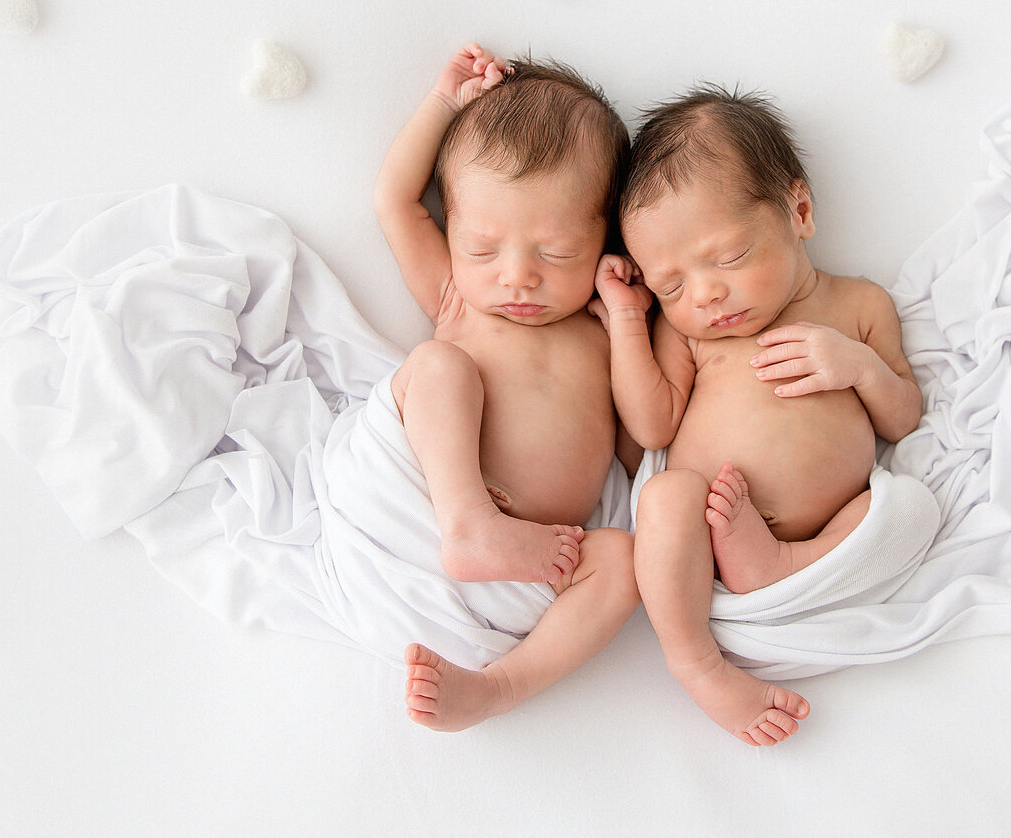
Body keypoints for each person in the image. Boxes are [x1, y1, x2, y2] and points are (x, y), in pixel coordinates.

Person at [593, 85, 924, 746]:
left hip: (831, 536)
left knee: (913, 506)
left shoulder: (859, 306)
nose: (707, 293)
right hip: (704, 536)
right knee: (662, 497)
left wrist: (859, 366)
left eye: (728, 256)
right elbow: (653, 425)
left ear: (798, 209)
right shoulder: (691, 335)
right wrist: (632, 319)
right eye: (673, 285)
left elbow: (904, 419)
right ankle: (696, 663)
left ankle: (783, 559)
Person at [374, 43, 640, 731]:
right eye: (484, 249)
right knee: (436, 366)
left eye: (555, 253)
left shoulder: (607, 325)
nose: (516, 276)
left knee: (622, 560)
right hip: (437, 515)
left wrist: (628, 319)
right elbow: (396, 201)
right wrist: (443, 104)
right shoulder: (456, 298)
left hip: (540, 563)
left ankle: (499, 686)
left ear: (606, 239)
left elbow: (645, 440)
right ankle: (473, 521)